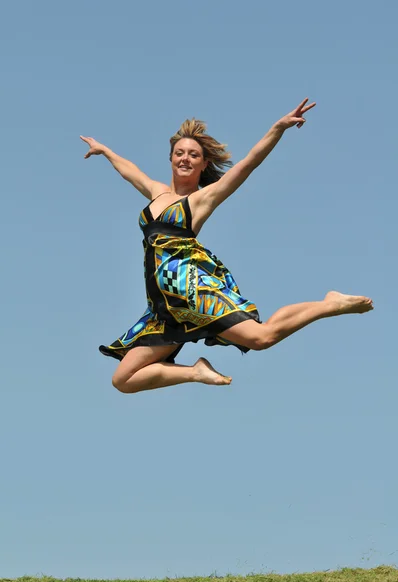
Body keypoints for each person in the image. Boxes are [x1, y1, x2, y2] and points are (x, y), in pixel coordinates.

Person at [80, 98, 373, 394]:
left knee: (261, 338)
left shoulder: (201, 199)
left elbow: (248, 165)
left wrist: (278, 128)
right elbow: (129, 171)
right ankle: (195, 371)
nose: (185, 158)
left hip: (193, 294)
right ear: (170, 158)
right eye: (179, 153)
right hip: (165, 308)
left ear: (204, 163)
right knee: (123, 380)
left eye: (193, 155)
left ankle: (329, 304)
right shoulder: (157, 193)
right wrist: (105, 151)